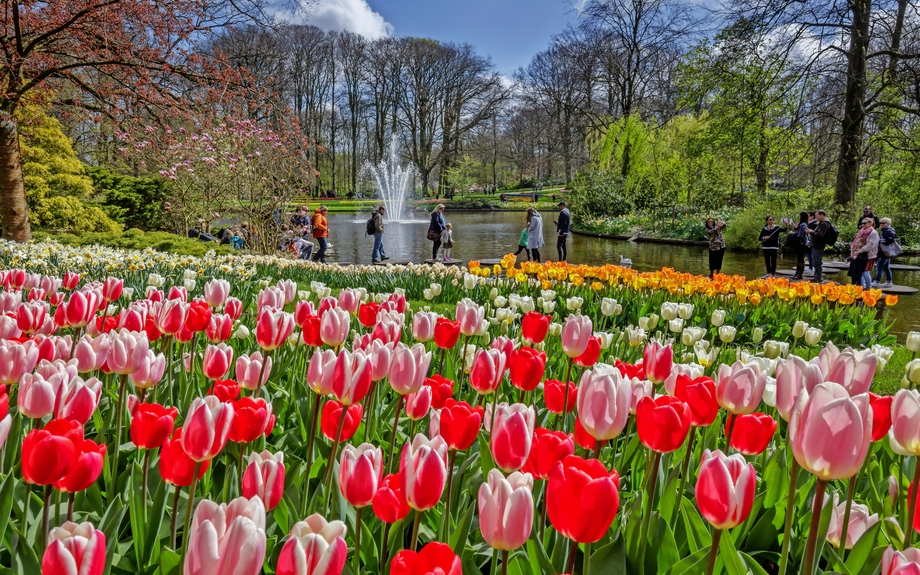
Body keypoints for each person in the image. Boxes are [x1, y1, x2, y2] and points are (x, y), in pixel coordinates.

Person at [805, 209, 832, 283]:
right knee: (815, 262)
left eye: (817, 216)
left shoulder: (825, 224)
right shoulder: (821, 223)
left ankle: (818, 278)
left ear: (822, 215)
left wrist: (811, 232)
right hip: (816, 245)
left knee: (817, 262)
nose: (816, 218)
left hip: (818, 245)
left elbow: (820, 235)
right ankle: (816, 277)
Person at [851, 218, 879, 289]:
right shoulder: (861, 232)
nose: (862, 224)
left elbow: (870, 245)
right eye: (862, 223)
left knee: (866, 273)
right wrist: (853, 251)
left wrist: (859, 251)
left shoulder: (874, 233)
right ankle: (861, 287)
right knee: (860, 273)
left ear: (870, 223)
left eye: (865, 223)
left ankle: (868, 288)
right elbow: (855, 242)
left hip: (869, 255)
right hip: (859, 255)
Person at [785, 211, 809, 279]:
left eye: (800, 216)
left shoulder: (802, 224)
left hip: (801, 244)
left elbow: (800, 236)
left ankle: (800, 274)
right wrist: (795, 227)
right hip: (802, 244)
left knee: (800, 259)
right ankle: (797, 273)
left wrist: (792, 233)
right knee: (799, 259)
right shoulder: (803, 224)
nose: (799, 217)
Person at [874, 218, 897, 288]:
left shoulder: (889, 231)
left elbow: (891, 240)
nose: (881, 224)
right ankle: (889, 281)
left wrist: (881, 241)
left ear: (887, 223)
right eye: (880, 223)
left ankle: (877, 281)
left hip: (884, 252)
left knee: (879, 267)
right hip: (885, 252)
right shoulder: (886, 230)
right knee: (886, 267)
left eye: (883, 223)